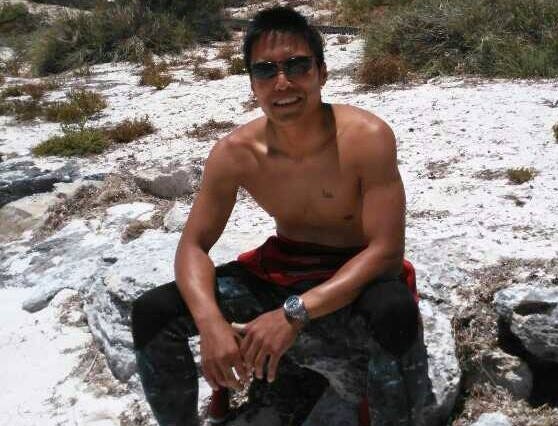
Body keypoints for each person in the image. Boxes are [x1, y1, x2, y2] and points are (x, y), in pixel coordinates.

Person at [131, 6, 436, 426]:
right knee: (153, 312)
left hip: (354, 280)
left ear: (323, 73)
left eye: (297, 65)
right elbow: (194, 245)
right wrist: (211, 322)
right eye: (265, 71)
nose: (283, 82)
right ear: (252, 84)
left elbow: (385, 252)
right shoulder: (235, 153)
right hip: (282, 270)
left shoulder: (366, 138)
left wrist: (294, 314)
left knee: (394, 313)